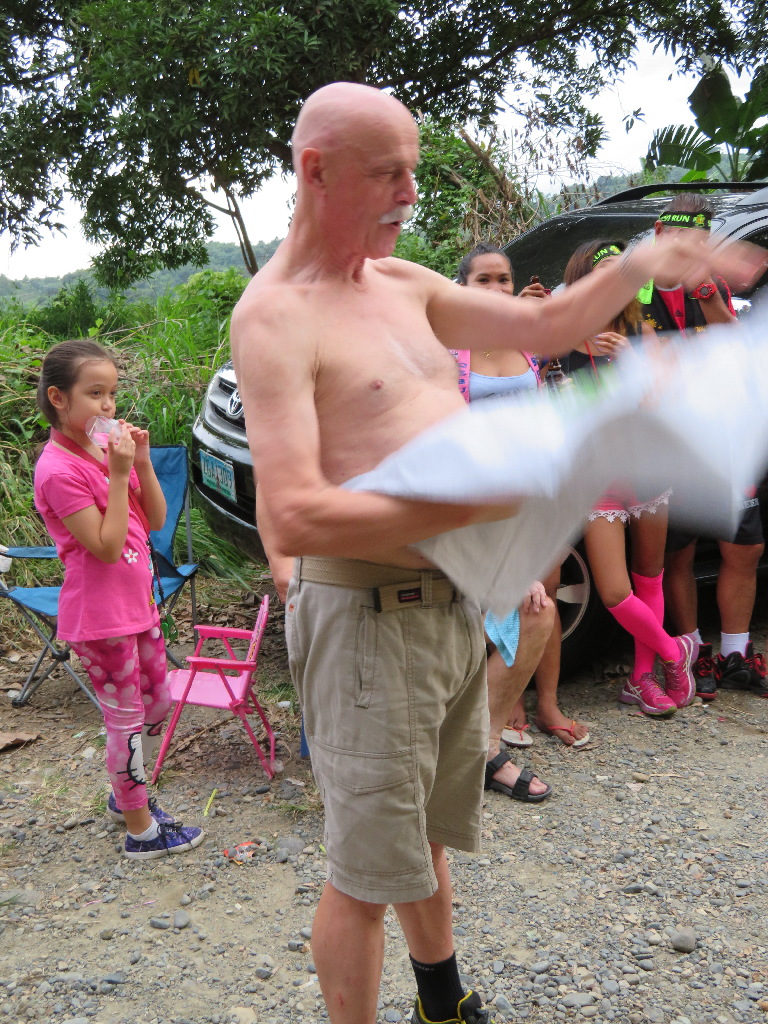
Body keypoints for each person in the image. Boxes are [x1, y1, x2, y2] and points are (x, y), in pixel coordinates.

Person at [229, 82, 759, 1024]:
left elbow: (546, 327)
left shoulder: (402, 285)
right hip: (367, 623)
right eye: (388, 174)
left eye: (414, 171)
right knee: (364, 874)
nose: (410, 193)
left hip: (454, 608)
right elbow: (296, 518)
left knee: (431, 831)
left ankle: (443, 1003)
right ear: (316, 171)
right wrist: (492, 498)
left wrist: (641, 263)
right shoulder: (275, 316)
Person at [33, 339, 205, 860]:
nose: (108, 406)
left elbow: (155, 520)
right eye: (94, 394)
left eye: (111, 393)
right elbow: (106, 548)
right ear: (59, 398)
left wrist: (142, 464)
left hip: (137, 606)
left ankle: (127, 793)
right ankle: (140, 830)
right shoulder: (58, 470)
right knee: (125, 719)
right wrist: (118, 474)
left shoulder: (102, 449)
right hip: (99, 617)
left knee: (158, 704)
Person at [455, 242, 589, 808]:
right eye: (483, 279)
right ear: (461, 287)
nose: (496, 288)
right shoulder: (447, 350)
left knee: (539, 607)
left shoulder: (529, 345)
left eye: (503, 279)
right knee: (473, 621)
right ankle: (462, 740)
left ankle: (495, 736)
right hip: (468, 504)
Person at [642, 193, 768, 700]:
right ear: (659, 233)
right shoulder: (634, 288)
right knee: (680, 552)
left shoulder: (711, 286)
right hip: (669, 438)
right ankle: (693, 652)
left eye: (698, 242)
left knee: (745, 546)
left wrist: (708, 294)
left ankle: (736, 653)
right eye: (679, 239)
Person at [562, 239, 695, 717]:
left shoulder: (642, 332)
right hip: (598, 476)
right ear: (584, 280)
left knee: (648, 578)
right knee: (616, 591)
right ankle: (675, 652)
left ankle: (642, 679)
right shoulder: (561, 339)